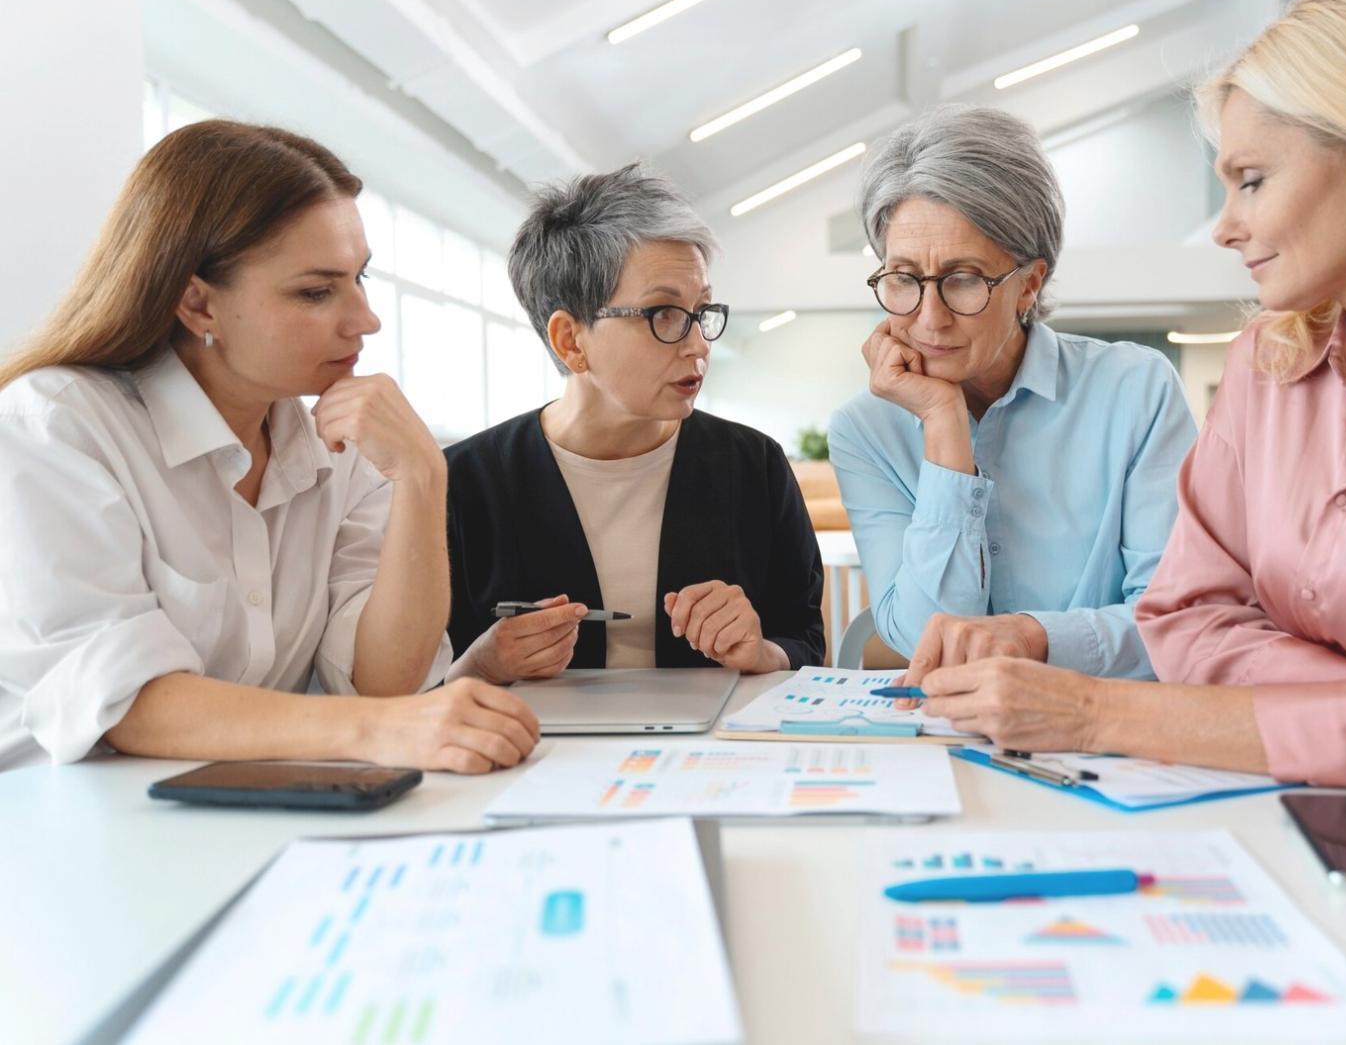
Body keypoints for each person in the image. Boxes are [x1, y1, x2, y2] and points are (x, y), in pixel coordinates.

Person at [895, 0, 1346, 801]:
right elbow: (1182, 619)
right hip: (1283, 803)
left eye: (1253, 179)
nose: (1225, 223)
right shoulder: (1269, 363)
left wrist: (1097, 712)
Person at [0, 121, 539, 773]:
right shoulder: (57, 424)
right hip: (53, 821)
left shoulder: (341, 442)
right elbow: (126, 700)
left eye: (359, 278)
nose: (365, 319)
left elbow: (383, 679)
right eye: (316, 291)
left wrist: (423, 478)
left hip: (231, 813)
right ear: (197, 304)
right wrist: (373, 730)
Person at [827, 105, 1196, 681]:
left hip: (1107, 738)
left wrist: (1032, 637)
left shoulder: (1136, 391)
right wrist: (943, 424)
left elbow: (1176, 622)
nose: (929, 319)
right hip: (944, 742)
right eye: (902, 278)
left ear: (1030, 284)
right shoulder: (864, 429)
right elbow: (925, 634)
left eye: (964, 278)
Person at [444, 164, 824, 681]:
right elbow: (415, 682)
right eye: (662, 314)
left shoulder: (752, 463)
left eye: (701, 310)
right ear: (571, 341)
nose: (698, 344)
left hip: (714, 755)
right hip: (531, 753)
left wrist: (762, 651)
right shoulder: (463, 482)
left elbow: (804, 638)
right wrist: (479, 664)